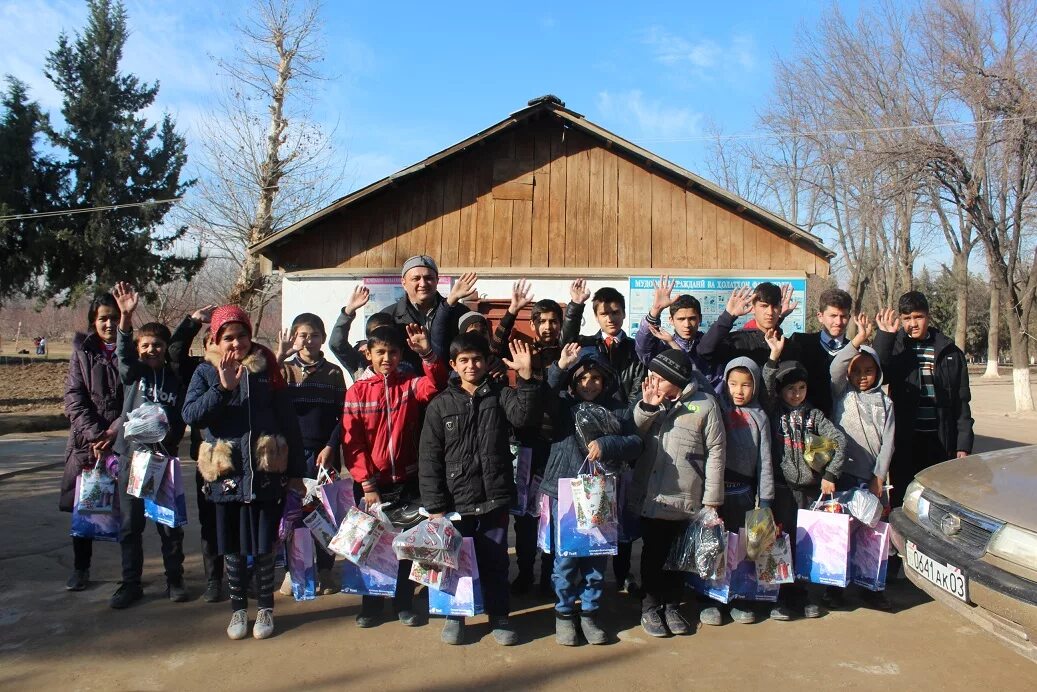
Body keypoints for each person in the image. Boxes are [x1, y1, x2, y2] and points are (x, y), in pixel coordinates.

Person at [182, 305, 307, 641]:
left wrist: (296, 471)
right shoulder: (205, 372)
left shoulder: (267, 366)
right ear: (215, 339)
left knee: (265, 543)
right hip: (226, 474)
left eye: (241, 336)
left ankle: (265, 607)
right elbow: (192, 415)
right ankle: (238, 610)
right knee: (234, 545)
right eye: (228, 338)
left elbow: (288, 421)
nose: (235, 343)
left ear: (250, 337)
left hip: (265, 470)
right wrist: (222, 389)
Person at [418, 333, 542, 646]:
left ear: (487, 362)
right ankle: (454, 616)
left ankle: (499, 615)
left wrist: (525, 378)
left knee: (495, 562)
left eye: (477, 359)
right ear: (453, 365)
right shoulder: (440, 406)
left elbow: (524, 418)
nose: (471, 365)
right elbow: (429, 457)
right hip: (455, 502)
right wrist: (435, 506)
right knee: (452, 561)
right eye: (464, 360)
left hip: (493, 498)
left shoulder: (500, 394)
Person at [342, 324, 447, 628]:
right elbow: (353, 443)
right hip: (371, 486)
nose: (387, 357)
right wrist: (366, 482)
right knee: (371, 546)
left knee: (403, 546)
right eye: (381, 352)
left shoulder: (410, 385)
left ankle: (403, 601)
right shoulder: (357, 392)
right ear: (369, 354)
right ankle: (372, 604)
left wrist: (426, 352)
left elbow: (436, 384)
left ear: (401, 354)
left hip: (406, 482)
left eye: (393, 352)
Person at [540, 343, 643, 645]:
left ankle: (589, 613)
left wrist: (609, 444)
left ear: (606, 380)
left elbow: (636, 443)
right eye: (582, 378)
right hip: (566, 495)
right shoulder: (560, 406)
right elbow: (541, 398)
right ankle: (564, 616)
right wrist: (559, 367)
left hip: (601, 496)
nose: (589, 384)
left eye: (596, 378)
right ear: (572, 381)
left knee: (596, 562)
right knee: (567, 560)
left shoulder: (617, 409)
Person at [108, 282, 197, 609]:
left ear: (164, 347)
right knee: (131, 525)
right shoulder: (135, 373)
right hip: (132, 460)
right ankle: (131, 583)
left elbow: (179, 348)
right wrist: (125, 317)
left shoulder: (176, 378)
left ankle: (175, 579)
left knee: (168, 526)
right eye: (145, 345)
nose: (151, 350)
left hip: (162, 461)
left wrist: (191, 323)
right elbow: (123, 355)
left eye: (157, 345)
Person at [630, 349, 726, 638]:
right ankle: (650, 607)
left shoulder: (706, 405)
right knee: (653, 555)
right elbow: (633, 432)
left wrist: (712, 500)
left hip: (686, 496)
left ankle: (672, 605)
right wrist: (648, 407)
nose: (653, 382)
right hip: (653, 495)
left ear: (676, 380)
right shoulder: (649, 400)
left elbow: (717, 454)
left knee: (679, 557)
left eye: (659, 378)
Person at [561, 280, 646, 596]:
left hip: (621, 426)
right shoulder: (587, 345)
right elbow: (565, 342)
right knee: (591, 507)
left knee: (621, 512)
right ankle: (586, 575)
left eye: (615, 312)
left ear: (624, 314)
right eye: (603, 313)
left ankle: (623, 574)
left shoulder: (634, 348)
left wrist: (623, 416)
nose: (610, 318)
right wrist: (574, 307)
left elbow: (638, 386)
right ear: (596, 316)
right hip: (586, 437)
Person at [763, 330, 846, 621]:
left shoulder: (815, 416)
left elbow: (838, 441)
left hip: (809, 492)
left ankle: (801, 595)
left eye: (800, 388)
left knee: (804, 543)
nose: (796, 394)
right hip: (782, 489)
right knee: (779, 541)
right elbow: (765, 385)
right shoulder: (774, 413)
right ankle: (779, 598)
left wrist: (830, 472)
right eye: (790, 389)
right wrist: (773, 358)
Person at [874, 291, 973, 510]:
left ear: (927, 316)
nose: (913, 324)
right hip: (905, 441)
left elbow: (961, 401)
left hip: (940, 441)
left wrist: (963, 444)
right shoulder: (896, 347)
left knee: (938, 501)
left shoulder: (950, 352)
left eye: (918, 317)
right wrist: (884, 338)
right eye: (907, 318)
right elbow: (877, 375)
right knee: (904, 499)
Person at [698, 356, 775, 627]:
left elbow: (765, 461)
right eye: (733, 384)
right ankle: (712, 599)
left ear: (755, 386)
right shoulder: (717, 409)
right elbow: (699, 380)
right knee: (715, 546)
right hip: (716, 492)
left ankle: (741, 598)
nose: (739, 391)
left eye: (745, 385)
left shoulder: (761, 417)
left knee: (743, 550)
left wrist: (765, 500)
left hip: (745, 494)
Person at [828, 313, 894, 612]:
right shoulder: (842, 395)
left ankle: (870, 588)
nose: (863, 375)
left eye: (870, 370)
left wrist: (879, 477)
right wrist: (858, 340)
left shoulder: (885, 402)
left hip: (872, 480)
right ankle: (836, 589)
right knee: (841, 535)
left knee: (871, 535)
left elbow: (889, 443)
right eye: (858, 370)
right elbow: (835, 366)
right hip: (844, 478)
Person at [277, 312, 347, 595]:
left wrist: (331, 446)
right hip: (290, 455)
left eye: (314, 335)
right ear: (294, 337)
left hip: (324, 454)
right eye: (302, 335)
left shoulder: (333, 373)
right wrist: (279, 358)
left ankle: (326, 570)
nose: (308, 340)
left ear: (323, 339)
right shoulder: (283, 371)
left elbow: (343, 416)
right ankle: (294, 570)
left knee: (326, 514)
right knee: (292, 513)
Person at [60, 293, 123, 592]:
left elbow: (137, 397)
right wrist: (97, 434)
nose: (109, 323)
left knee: (127, 511)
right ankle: (80, 569)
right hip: (88, 443)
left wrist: (115, 432)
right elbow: (74, 398)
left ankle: (130, 574)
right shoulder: (82, 352)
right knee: (85, 508)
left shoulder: (129, 348)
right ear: (93, 321)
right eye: (103, 318)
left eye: (114, 317)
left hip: (122, 441)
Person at [511, 297, 564, 597]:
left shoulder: (570, 352)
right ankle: (524, 572)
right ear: (532, 325)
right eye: (541, 321)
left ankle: (549, 576)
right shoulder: (523, 353)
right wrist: (510, 312)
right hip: (528, 446)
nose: (548, 326)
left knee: (553, 514)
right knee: (525, 517)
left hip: (558, 446)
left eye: (553, 321)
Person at [378, 255, 472, 369]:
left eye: (429, 278)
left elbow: (474, 348)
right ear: (403, 282)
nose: (423, 284)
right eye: (416, 278)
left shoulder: (460, 312)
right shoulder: (389, 315)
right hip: (406, 384)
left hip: (450, 383)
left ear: (437, 280)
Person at [698, 283, 798, 369]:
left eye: (775, 307)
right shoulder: (738, 341)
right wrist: (727, 316)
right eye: (764, 306)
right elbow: (704, 351)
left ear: (780, 309)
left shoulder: (788, 346)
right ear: (753, 308)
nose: (770, 312)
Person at [787, 288, 854, 417]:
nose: (838, 322)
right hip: (806, 421)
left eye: (843, 316)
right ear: (820, 316)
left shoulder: (853, 350)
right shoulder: (801, 343)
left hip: (844, 422)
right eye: (833, 316)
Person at [634, 275, 709, 377]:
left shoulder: (710, 344)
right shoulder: (664, 347)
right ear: (671, 320)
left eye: (692, 318)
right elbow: (643, 350)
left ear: (700, 318)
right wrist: (656, 310)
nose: (687, 325)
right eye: (681, 319)